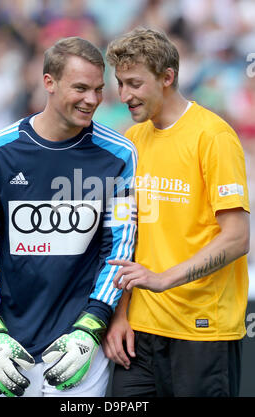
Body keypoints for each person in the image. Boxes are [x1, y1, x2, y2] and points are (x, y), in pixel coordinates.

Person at [0, 36, 137, 397]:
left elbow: (120, 247)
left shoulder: (119, 155)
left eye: (98, 89)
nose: (92, 100)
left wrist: (92, 325)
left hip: (80, 346)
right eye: (81, 88)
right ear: (49, 82)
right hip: (9, 346)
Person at [103, 27, 250, 397]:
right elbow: (125, 237)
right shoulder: (131, 141)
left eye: (134, 83)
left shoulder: (213, 137)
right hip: (140, 334)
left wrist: (164, 278)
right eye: (120, 83)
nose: (124, 96)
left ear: (167, 77)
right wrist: (120, 316)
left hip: (201, 332)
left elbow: (237, 237)